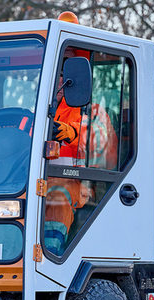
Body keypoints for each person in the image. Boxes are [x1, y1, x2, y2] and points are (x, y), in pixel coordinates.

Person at [44, 48, 117, 256]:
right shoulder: (40, 110)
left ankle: (50, 255)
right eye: (55, 71)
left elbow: (101, 146)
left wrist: (71, 132)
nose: (59, 77)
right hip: (38, 182)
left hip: (79, 184)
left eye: (63, 71)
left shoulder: (92, 110)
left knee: (57, 194)